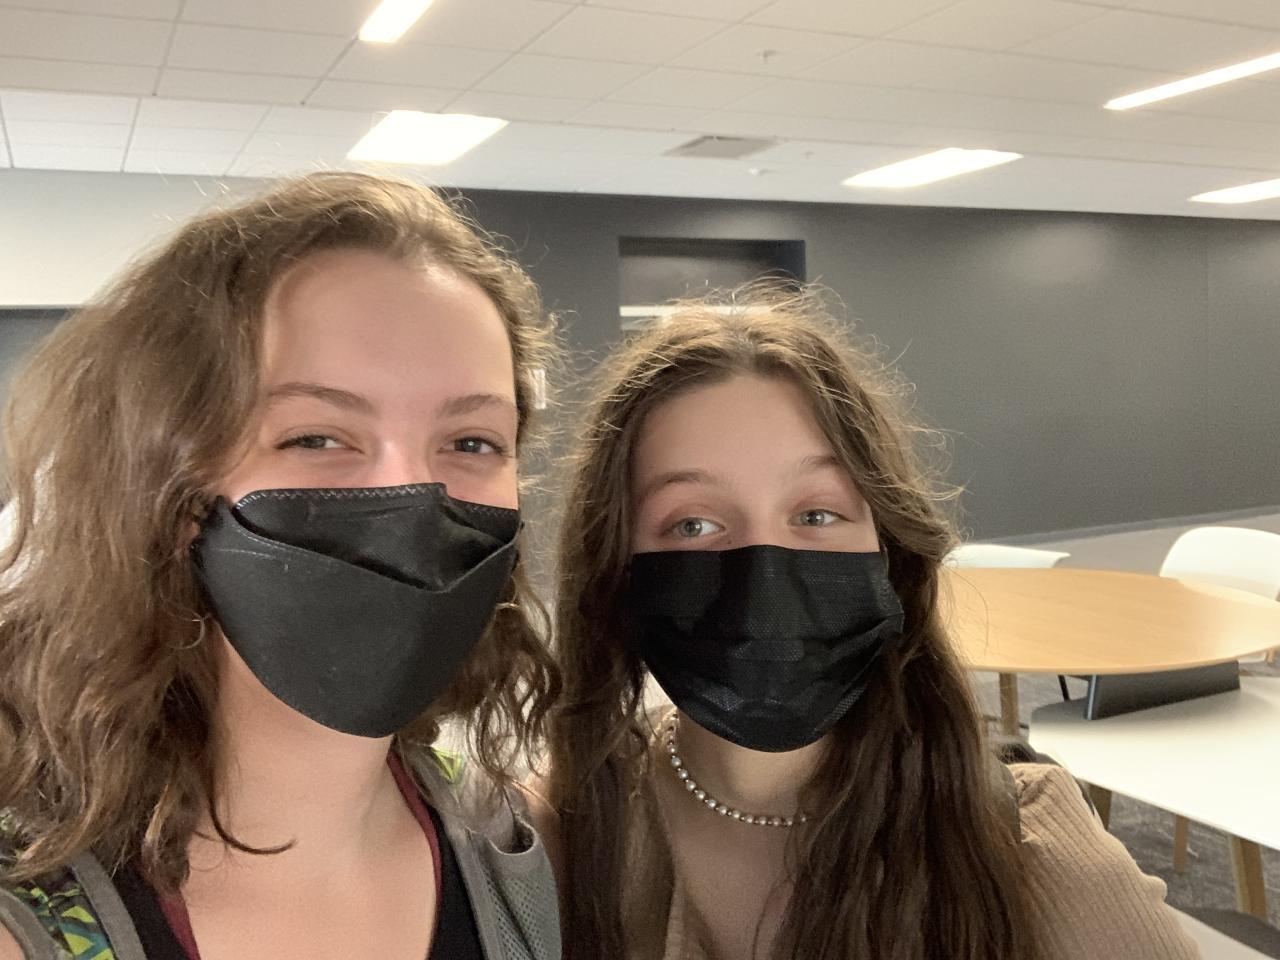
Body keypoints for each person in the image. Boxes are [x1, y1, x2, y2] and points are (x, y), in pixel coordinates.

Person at [543, 284, 1199, 960]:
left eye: (816, 514)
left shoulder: (1029, 848)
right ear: (615, 566)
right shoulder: (564, 830)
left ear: (889, 552)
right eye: (693, 524)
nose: (766, 580)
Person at [0, 173, 562, 960]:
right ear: (170, 487)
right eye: (316, 437)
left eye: (472, 442)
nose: (414, 493)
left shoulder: (508, 855)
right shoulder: (30, 915)